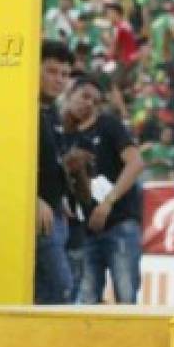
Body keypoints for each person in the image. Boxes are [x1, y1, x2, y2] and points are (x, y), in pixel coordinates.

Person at [62, 75, 144, 303]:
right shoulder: (64, 135)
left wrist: (108, 202)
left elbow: (136, 162)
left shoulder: (108, 125)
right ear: (70, 95)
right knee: (86, 299)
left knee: (126, 295)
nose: (88, 103)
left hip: (119, 222)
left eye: (95, 100)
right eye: (84, 96)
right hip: (84, 229)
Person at [35, 40, 74, 304]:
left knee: (49, 292)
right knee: (61, 290)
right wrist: (33, 200)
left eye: (64, 74)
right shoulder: (23, 113)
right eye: (51, 71)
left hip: (56, 212)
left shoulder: (52, 114)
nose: (58, 80)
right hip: (38, 216)